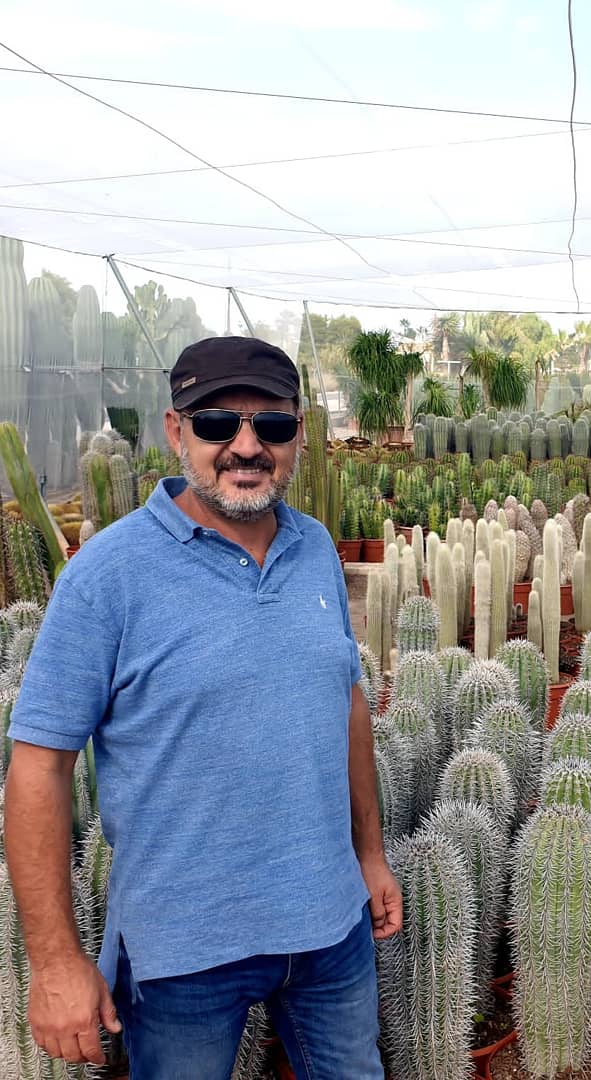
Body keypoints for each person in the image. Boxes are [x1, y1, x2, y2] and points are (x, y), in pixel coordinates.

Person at [4, 336, 401, 1079]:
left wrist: (369, 855)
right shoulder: (106, 576)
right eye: (219, 423)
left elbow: (344, 701)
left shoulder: (315, 548)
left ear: (299, 438)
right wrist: (56, 962)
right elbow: (38, 767)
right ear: (176, 430)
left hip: (329, 928)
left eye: (273, 427)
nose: (247, 447)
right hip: (182, 952)